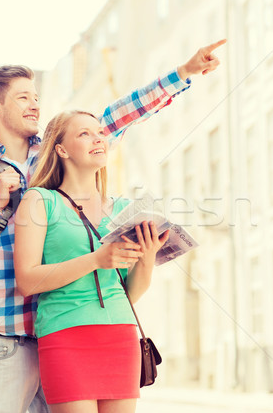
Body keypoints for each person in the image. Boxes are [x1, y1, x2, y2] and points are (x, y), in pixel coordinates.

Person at [0, 40, 225, 413]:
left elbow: (120, 114)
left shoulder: (51, 152)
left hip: (64, 327)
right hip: (6, 333)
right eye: (22, 98)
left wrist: (184, 73)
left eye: (36, 96)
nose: (35, 103)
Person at [14, 110, 168, 412]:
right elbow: (27, 280)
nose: (98, 138)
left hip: (121, 335)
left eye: (100, 132)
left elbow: (130, 294)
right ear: (61, 150)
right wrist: (97, 259)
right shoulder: (40, 201)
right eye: (84, 133)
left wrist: (147, 257)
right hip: (65, 336)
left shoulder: (124, 209)